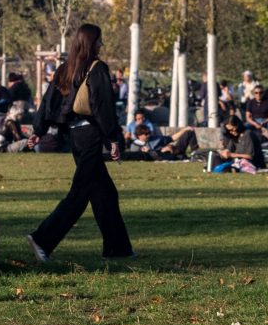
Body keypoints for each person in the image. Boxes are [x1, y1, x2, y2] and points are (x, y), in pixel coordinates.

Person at [28, 24, 133, 263]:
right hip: (91, 136)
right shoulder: (97, 69)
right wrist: (113, 138)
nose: (102, 45)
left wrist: (38, 130)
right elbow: (103, 107)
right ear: (91, 43)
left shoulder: (65, 68)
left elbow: (48, 102)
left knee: (105, 192)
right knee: (79, 195)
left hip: (75, 137)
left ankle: (118, 248)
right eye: (100, 41)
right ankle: (42, 239)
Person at [126, 124, 199, 161]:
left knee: (189, 131)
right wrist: (161, 151)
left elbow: (172, 138)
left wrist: (184, 129)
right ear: (139, 136)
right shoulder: (135, 146)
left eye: (149, 133)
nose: (148, 135)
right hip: (165, 155)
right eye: (146, 134)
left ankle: (196, 154)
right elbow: (147, 157)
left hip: (174, 150)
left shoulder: (155, 138)